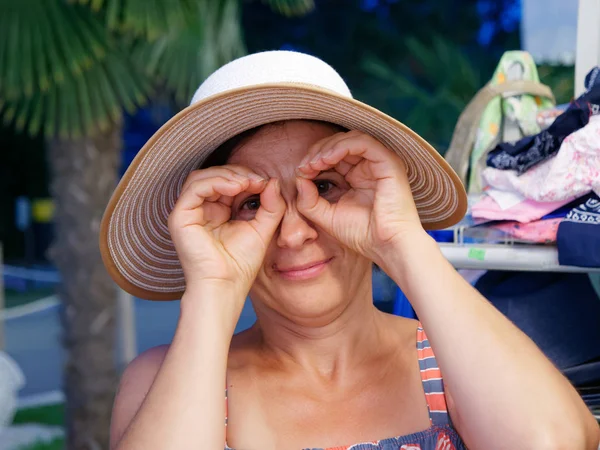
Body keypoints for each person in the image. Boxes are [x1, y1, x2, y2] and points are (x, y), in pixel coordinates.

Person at [100, 51, 600, 450]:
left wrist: (403, 239)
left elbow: (552, 441)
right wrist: (211, 286)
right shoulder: (167, 380)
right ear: (212, 225)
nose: (294, 235)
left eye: (327, 187)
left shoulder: (457, 363)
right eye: (252, 204)